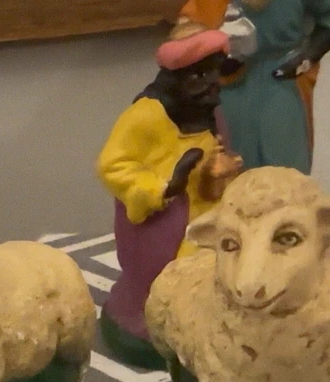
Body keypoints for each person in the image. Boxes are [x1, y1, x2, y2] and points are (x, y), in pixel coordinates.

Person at [96, 29, 240, 363]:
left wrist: (223, 171)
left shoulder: (211, 112)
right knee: (159, 278)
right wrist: (166, 185)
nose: (211, 85)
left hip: (208, 212)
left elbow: (218, 151)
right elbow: (111, 165)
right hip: (161, 220)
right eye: (199, 76)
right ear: (175, 79)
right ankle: (152, 320)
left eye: (214, 73)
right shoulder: (146, 116)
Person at [172, 0, 330, 172]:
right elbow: (191, 23)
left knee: (285, 159)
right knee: (230, 159)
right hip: (226, 83)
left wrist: (307, 56)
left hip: (282, 76)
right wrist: (212, 55)